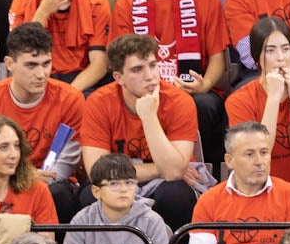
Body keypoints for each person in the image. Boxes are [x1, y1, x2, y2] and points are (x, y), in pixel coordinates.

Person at [110, 0, 229, 168]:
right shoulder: (127, 4)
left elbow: (218, 57)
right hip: (144, 90)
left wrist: (204, 84)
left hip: (192, 89)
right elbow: (121, 65)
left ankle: (208, 171)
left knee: (206, 105)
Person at [79, 33, 211, 232]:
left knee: (175, 193)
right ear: (118, 77)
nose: (150, 76)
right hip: (123, 183)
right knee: (91, 194)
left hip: (167, 184)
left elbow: (174, 173)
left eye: (152, 65)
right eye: (137, 69)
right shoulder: (99, 102)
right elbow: (97, 172)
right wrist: (160, 168)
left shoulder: (179, 101)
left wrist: (149, 117)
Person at [0, 22, 89, 220]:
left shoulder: (71, 99)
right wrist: (25, 176)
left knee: (59, 194)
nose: (41, 74)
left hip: (53, 183)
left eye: (46, 64)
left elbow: (67, 160)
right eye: (31, 65)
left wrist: (35, 181)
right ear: (9, 63)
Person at [224, 18, 290, 192]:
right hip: (262, 188)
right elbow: (259, 154)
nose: (280, 58)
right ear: (257, 58)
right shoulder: (239, 101)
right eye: (270, 51)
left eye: (286, 49)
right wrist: (273, 98)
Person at [56, 152, 170, 244]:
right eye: (114, 184)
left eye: (129, 183)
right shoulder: (82, 220)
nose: (123, 189)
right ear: (96, 192)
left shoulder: (152, 222)